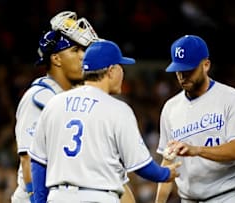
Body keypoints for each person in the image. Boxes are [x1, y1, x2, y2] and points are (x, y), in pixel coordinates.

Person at [29, 40, 182, 203]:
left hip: (59, 197)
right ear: (111, 70)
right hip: (99, 196)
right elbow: (141, 166)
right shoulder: (118, 109)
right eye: (120, 66)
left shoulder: (54, 103)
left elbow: (38, 162)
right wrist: (166, 174)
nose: (123, 72)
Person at [155, 35, 235, 202]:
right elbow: (168, 161)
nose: (182, 76)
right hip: (188, 199)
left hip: (227, 196)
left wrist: (197, 150)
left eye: (189, 70)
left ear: (206, 65)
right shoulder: (170, 108)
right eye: (178, 70)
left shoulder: (232, 98)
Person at [11, 11, 98, 203]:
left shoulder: (76, 97)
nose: (83, 56)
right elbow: (29, 161)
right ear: (56, 58)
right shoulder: (39, 97)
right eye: (75, 50)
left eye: (84, 50)